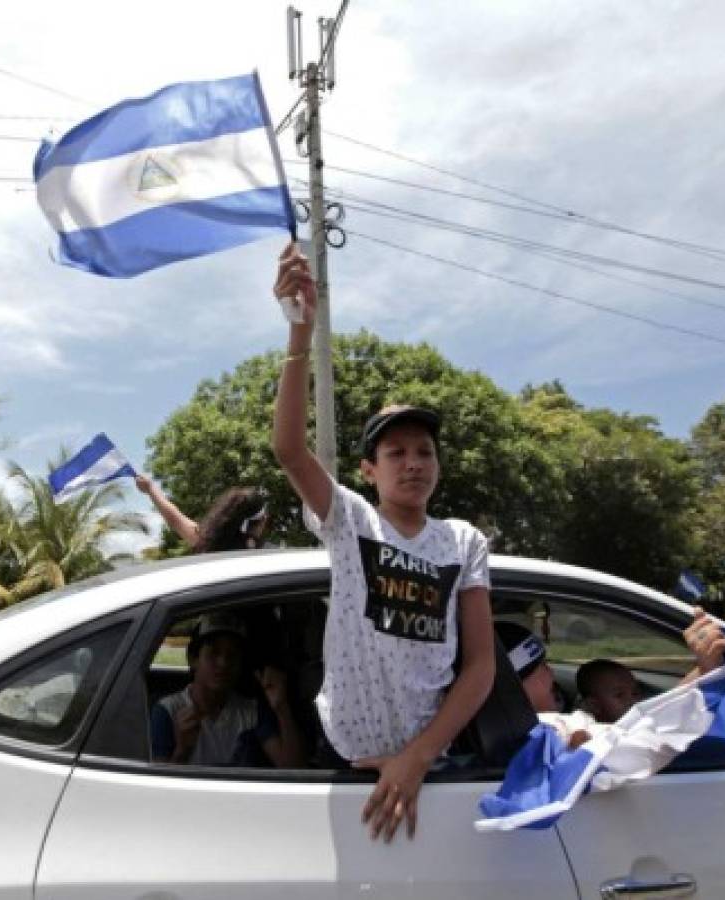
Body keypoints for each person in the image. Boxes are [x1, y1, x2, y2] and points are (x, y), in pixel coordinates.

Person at [270, 242, 496, 843]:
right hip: (347, 760)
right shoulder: (350, 520)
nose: (413, 463)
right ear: (369, 469)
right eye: (396, 453)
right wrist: (300, 335)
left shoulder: (464, 541)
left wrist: (420, 756)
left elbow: (480, 667)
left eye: (425, 451)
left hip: (431, 763)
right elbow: (290, 450)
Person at [494, 608, 725, 748]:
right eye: (541, 668)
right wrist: (705, 669)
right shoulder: (553, 733)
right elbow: (637, 735)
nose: (551, 673)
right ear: (513, 687)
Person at [150, 612, 305, 768]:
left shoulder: (251, 711)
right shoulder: (168, 711)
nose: (223, 663)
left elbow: (292, 769)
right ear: (193, 659)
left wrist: (281, 708)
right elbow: (157, 787)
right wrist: (183, 750)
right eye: (213, 652)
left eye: (233, 655)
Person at [135, 476, 270, 552]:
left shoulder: (206, 541)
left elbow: (174, 519)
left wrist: (150, 488)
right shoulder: (271, 556)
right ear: (262, 520)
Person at [576, 658, 642, 725]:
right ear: (594, 705)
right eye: (619, 695)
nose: (633, 701)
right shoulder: (591, 733)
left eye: (635, 693)